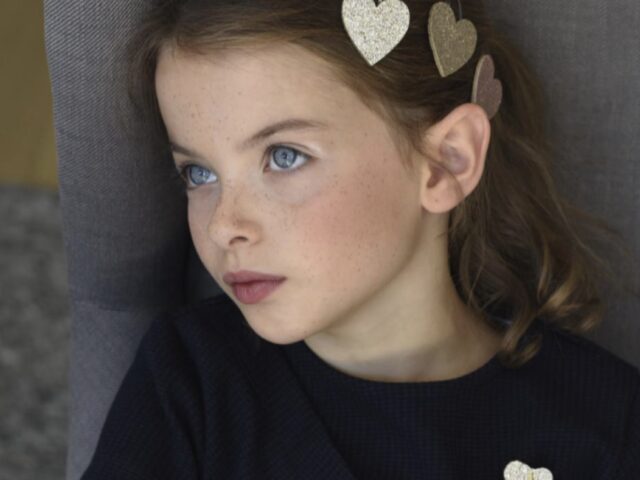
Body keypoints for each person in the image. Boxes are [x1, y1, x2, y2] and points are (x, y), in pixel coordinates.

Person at [80, 0, 640, 478]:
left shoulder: (604, 425)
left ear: (446, 162)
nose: (223, 225)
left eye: (284, 156)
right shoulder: (191, 379)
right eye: (198, 173)